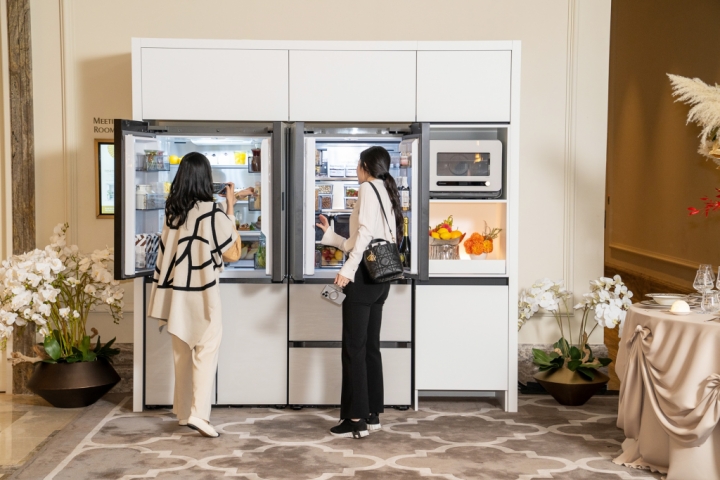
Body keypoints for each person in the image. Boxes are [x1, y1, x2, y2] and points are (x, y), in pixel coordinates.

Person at [148, 152, 253, 438]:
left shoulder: (172, 213)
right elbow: (232, 252)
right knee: (205, 351)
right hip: (203, 292)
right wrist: (230, 210)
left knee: (182, 353)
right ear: (206, 179)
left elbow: (165, 253)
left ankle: (183, 413)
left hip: (175, 294)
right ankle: (199, 415)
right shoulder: (213, 212)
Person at [316, 146, 404, 439]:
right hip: (381, 278)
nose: (356, 170)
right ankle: (372, 414)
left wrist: (347, 270)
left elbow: (365, 234)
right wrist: (331, 236)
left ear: (365, 166)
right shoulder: (387, 191)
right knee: (370, 348)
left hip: (363, 278)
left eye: (357, 164)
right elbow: (364, 238)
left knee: (353, 349)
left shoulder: (367, 188)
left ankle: (355, 420)